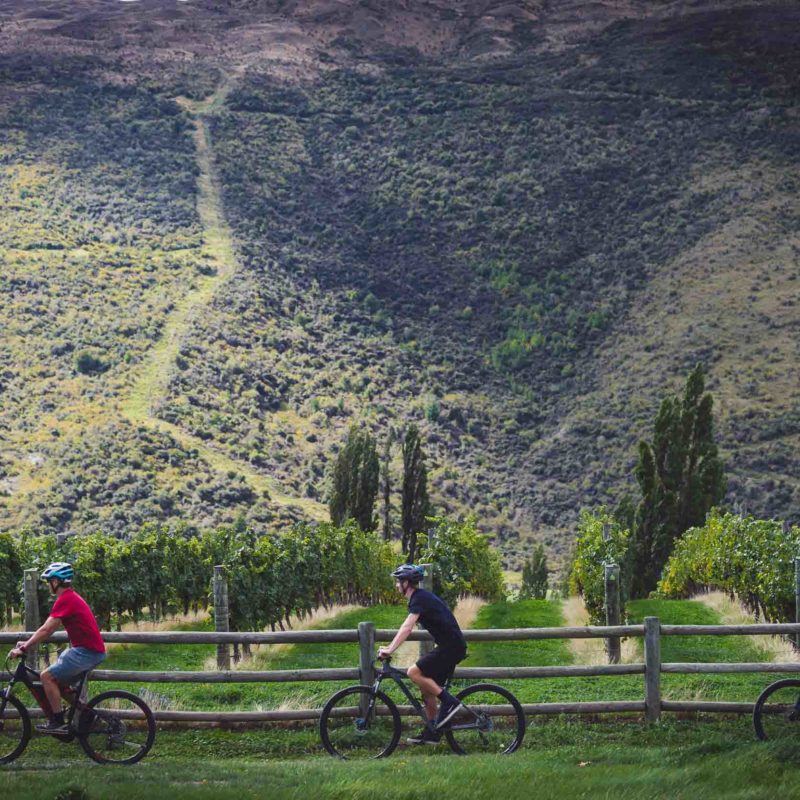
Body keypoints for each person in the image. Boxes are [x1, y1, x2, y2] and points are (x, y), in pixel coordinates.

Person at [10, 562, 106, 734]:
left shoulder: (66, 599)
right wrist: (27, 643)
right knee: (56, 681)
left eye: (49, 581)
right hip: (87, 650)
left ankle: (57, 721)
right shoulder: (70, 597)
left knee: (46, 677)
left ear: (56, 582)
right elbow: (46, 629)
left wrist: (24, 648)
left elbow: (47, 629)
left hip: (87, 651)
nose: (48, 585)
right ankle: (86, 713)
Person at [377, 563, 467, 745]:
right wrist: (390, 647)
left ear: (407, 583)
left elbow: (407, 627)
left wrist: (389, 649)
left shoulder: (419, 599)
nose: (396, 585)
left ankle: (450, 702)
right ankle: (432, 732)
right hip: (450, 645)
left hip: (451, 647)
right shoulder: (419, 598)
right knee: (427, 690)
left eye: (398, 581)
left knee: (413, 672)